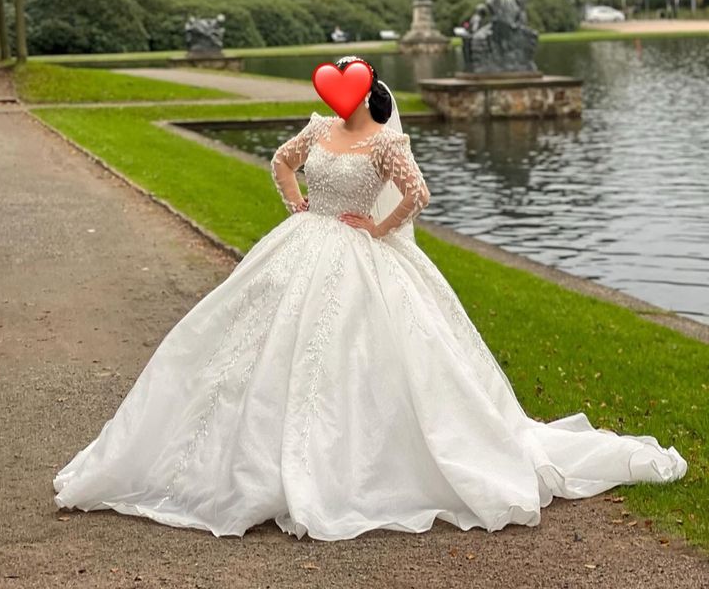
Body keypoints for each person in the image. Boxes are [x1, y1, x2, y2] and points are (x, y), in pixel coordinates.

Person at [53, 56, 687, 540]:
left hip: (359, 246)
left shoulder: (388, 142)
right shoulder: (320, 126)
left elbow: (419, 197)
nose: (343, 105)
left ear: (366, 96)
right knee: (252, 343)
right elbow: (281, 161)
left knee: (360, 355)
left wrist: (377, 229)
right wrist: (297, 204)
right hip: (305, 239)